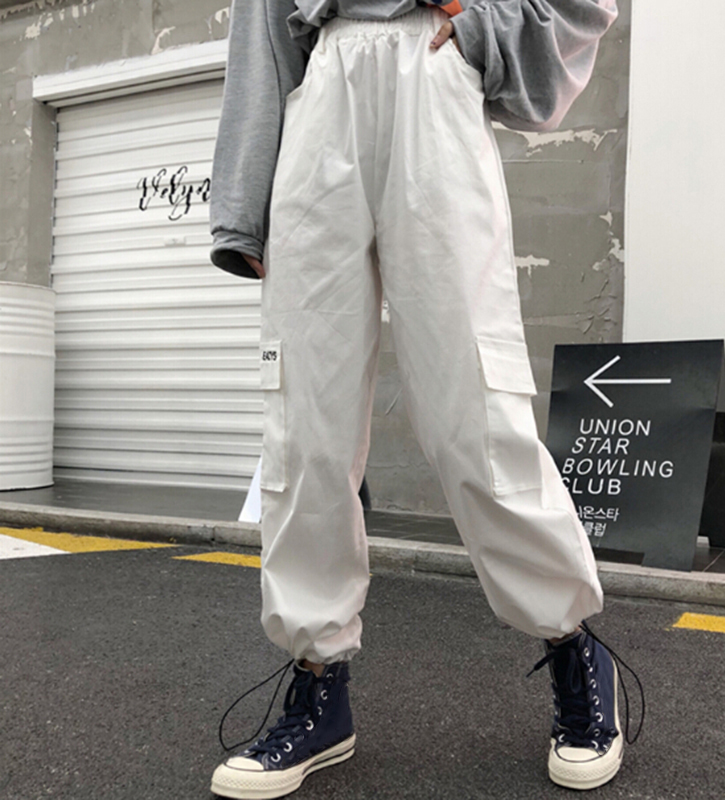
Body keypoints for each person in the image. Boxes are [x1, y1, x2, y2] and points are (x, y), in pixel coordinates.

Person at [208, 0, 627, 796]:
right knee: (306, 424)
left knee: (476, 411)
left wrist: (484, 26)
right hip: (321, 88)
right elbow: (261, 21)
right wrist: (242, 203)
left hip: (434, 73)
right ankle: (319, 684)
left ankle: (574, 645)